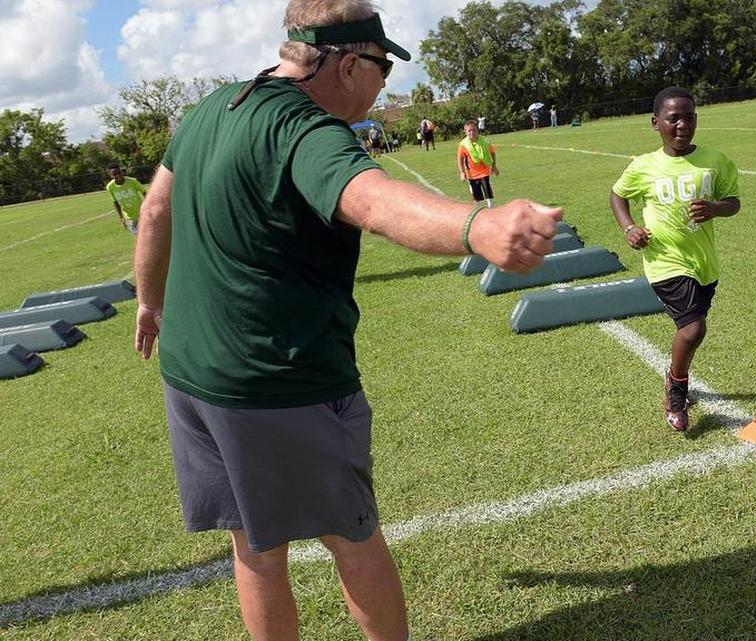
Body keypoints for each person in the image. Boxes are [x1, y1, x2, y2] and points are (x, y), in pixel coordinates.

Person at [132, 3, 562, 640]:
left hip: (191, 373)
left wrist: (150, 302)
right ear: (347, 64)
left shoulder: (212, 107)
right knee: (352, 537)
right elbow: (374, 200)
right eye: (383, 67)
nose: (384, 82)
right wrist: (479, 225)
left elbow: (154, 210)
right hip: (280, 381)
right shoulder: (307, 130)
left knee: (254, 546)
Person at [609, 86, 740, 432]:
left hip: (703, 263)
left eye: (690, 117)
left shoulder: (715, 161)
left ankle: (675, 375)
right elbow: (617, 196)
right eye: (673, 119)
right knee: (693, 329)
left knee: (691, 330)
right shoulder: (644, 166)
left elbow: (733, 202)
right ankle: (677, 389)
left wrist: (715, 209)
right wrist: (629, 228)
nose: (683, 125)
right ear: (656, 123)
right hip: (664, 261)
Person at [457, 119, 498, 208]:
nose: (472, 132)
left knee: (487, 188)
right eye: (469, 131)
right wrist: (462, 172)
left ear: (478, 130)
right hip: (471, 174)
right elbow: (460, 158)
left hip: (484, 171)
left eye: (474, 130)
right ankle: (478, 208)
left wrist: (494, 166)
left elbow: (492, 153)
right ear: (465, 132)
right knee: (476, 193)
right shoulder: (463, 144)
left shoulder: (485, 141)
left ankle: (491, 207)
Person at [105, 162, 147, 237]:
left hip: (142, 214)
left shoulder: (132, 181)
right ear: (110, 175)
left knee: (147, 236)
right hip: (129, 218)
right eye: (115, 174)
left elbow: (144, 193)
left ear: (121, 171)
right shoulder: (110, 187)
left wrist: (147, 207)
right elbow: (115, 202)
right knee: (138, 238)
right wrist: (121, 218)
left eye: (119, 173)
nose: (118, 175)